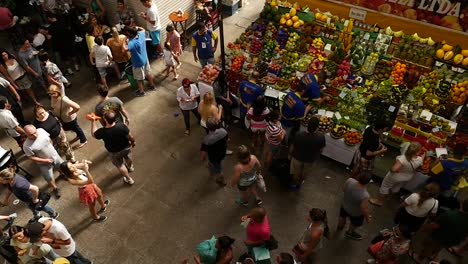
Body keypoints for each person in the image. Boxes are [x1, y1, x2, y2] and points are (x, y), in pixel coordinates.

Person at [370, 142, 424, 206]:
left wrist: (393, 170)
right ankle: (388, 197)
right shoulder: (420, 159)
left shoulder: (403, 158)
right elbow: (419, 165)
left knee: (385, 187)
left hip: (395, 177)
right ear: (417, 152)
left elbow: (393, 169)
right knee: (396, 187)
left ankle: (379, 201)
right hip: (407, 177)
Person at [91, 110, 136, 185]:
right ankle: (130, 167)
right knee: (128, 157)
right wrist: (133, 142)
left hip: (114, 152)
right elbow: (130, 136)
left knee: (120, 165)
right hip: (125, 147)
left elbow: (93, 134)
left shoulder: (103, 131)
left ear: (105, 119)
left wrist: (93, 121)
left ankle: (129, 179)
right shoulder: (122, 126)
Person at [27, 218, 92, 263]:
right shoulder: (41, 222)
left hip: (67, 251)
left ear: (43, 231)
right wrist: (35, 249)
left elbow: (68, 241)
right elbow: (38, 241)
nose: (39, 239)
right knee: (77, 256)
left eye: (39, 236)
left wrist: (52, 241)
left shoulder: (58, 229)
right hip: (60, 250)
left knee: (75, 261)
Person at [23, 125, 63, 198]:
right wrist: (45, 160)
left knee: (60, 166)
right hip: (43, 164)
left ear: (36, 129)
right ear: (26, 134)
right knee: (49, 177)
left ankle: (62, 174)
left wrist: (51, 148)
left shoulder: (41, 130)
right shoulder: (26, 146)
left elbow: (49, 139)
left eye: (35, 132)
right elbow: (31, 157)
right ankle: (55, 188)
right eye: (31, 135)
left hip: (54, 155)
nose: (35, 135)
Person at [289, 116, 326, 188]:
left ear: (308, 125)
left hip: (297, 157)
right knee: (304, 173)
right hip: (310, 160)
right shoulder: (321, 137)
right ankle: (299, 184)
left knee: (296, 172)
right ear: (317, 127)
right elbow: (321, 150)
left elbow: (292, 147)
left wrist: (289, 154)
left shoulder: (299, 134)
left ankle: (294, 184)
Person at [49, 85, 87, 149]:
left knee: (76, 128)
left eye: (54, 93)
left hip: (70, 119)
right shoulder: (53, 98)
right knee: (68, 128)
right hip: (62, 117)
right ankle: (79, 136)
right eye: (50, 93)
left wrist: (70, 113)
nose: (52, 95)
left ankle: (84, 140)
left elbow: (77, 107)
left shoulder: (64, 99)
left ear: (58, 92)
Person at [124, 26, 157, 97]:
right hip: (145, 59)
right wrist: (137, 27)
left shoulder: (131, 43)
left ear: (130, 34)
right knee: (148, 73)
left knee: (138, 78)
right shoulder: (141, 34)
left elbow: (124, 49)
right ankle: (152, 86)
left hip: (137, 63)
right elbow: (143, 29)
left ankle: (141, 91)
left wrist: (124, 41)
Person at [338, 173, 372, 241]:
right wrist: (368, 218)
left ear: (358, 176)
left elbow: (344, 189)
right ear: (367, 183)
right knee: (354, 223)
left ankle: (340, 226)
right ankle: (349, 232)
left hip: (344, 206)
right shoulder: (365, 195)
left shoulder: (349, 180)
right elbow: (363, 208)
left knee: (342, 216)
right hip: (355, 213)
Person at [200, 118, 228, 186]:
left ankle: (223, 180)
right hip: (222, 153)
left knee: (218, 170)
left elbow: (203, 153)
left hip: (214, 157)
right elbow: (227, 140)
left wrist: (202, 158)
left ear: (207, 127)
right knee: (214, 164)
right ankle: (211, 167)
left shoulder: (207, 140)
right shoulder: (223, 131)